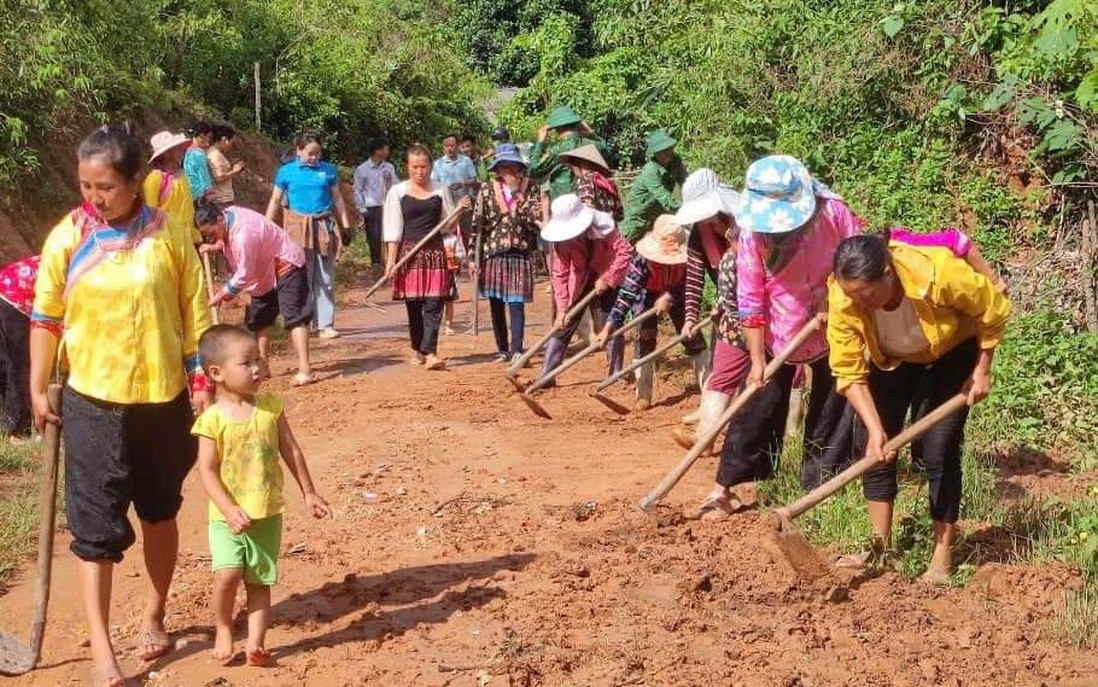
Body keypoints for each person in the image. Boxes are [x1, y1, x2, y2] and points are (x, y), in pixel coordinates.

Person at [30, 125, 212, 686]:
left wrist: (201, 379)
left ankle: (155, 614)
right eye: (85, 185)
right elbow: (46, 317)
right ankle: (104, 652)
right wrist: (39, 386)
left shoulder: (169, 235)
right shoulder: (67, 237)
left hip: (162, 399)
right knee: (94, 528)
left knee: (159, 510)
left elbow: (194, 313)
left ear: (137, 181)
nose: (94, 197)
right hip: (92, 402)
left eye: (105, 186)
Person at [828, 233, 1011, 582]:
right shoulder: (843, 295)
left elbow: (993, 307)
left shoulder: (936, 272)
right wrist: (876, 427)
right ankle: (878, 547)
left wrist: (982, 369)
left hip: (951, 352)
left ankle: (942, 552)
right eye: (852, 295)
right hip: (894, 360)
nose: (859, 303)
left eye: (866, 294)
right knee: (875, 447)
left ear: (887, 273)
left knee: (938, 450)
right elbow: (847, 369)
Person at [706, 155, 860, 518]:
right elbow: (750, 298)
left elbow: (857, 260)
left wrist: (836, 299)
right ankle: (725, 488)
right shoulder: (752, 236)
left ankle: (819, 486)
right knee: (757, 405)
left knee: (832, 405)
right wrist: (758, 361)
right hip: (780, 331)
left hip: (833, 324)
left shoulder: (833, 213)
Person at [193, 325, 331, 666]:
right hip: (228, 518)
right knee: (228, 574)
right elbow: (206, 470)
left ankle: (256, 642)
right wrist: (227, 508)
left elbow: (292, 450)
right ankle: (224, 626)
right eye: (247, 362)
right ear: (217, 373)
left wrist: (309, 492)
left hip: (266, 513)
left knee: (258, 580)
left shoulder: (271, 407)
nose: (258, 367)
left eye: (259, 359)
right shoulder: (212, 420)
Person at [195, 203, 316, 386]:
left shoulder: (244, 234)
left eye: (212, 234)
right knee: (259, 319)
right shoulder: (228, 215)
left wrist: (223, 294)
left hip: (285, 263)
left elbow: (245, 273)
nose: (210, 238)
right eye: (208, 236)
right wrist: (216, 246)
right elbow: (228, 242)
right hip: (263, 271)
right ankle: (263, 367)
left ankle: (305, 369)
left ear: (220, 219)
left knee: (294, 316)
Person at [595, 216, 706, 410]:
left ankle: (708, 389)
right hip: (648, 294)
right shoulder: (642, 260)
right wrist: (608, 327)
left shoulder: (691, 258)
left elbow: (693, 286)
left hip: (680, 293)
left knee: (693, 336)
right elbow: (627, 293)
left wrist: (670, 296)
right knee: (644, 338)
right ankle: (643, 394)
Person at [384, 144, 470, 370]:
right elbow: (393, 229)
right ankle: (419, 349)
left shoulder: (441, 190)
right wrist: (391, 262)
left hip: (434, 253)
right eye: (415, 167)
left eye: (423, 167)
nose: (419, 172)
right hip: (409, 255)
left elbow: (448, 224)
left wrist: (460, 210)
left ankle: (430, 352)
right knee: (414, 307)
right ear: (407, 167)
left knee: (434, 304)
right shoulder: (398, 192)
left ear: (430, 166)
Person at [535, 193, 633, 385]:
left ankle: (615, 373)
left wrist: (607, 277)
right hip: (581, 278)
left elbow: (625, 252)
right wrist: (562, 308)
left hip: (608, 272)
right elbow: (560, 273)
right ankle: (547, 374)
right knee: (566, 322)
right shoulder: (561, 241)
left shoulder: (603, 227)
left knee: (610, 322)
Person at [265, 131, 352, 340]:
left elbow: (338, 199)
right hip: (297, 228)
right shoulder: (286, 172)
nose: (314, 158)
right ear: (298, 151)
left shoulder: (328, 171)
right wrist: (266, 228)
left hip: (323, 226)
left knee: (325, 276)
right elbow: (275, 201)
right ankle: (304, 320)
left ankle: (325, 324)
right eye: (310, 153)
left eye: (317, 154)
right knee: (301, 275)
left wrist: (345, 225)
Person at [672, 169, 738, 430]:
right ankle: (708, 415)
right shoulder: (700, 234)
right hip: (726, 304)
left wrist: (726, 299)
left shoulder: (742, 222)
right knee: (719, 354)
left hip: (758, 301)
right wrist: (690, 318)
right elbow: (694, 278)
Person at [469, 143, 543, 362]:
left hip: (519, 251)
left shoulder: (530, 188)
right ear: (498, 168)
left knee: (516, 302)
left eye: (513, 167)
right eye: (504, 167)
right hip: (493, 252)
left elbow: (534, 221)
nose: (509, 171)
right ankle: (502, 348)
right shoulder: (486, 189)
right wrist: (474, 257)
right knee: (496, 302)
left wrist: (517, 196)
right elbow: (477, 226)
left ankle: (517, 349)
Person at [528, 105, 614, 202]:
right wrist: (591, 133)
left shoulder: (556, 151)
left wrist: (540, 143)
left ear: (556, 129)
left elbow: (533, 170)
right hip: (589, 199)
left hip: (565, 205)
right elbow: (609, 153)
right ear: (578, 125)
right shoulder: (592, 145)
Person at [620, 131, 687, 244]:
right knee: (625, 245)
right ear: (655, 153)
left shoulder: (675, 161)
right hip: (638, 215)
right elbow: (666, 200)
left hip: (657, 212)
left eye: (669, 149)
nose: (667, 154)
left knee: (659, 244)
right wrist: (685, 210)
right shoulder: (651, 170)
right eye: (662, 151)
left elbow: (686, 183)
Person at [0, 255, 38, 435]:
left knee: (7, 361)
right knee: (20, 364)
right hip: (17, 295)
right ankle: (18, 428)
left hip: (7, 284)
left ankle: (9, 422)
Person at [144, 130, 202, 245]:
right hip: (166, 242)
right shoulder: (155, 179)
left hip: (186, 240)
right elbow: (149, 216)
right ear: (167, 153)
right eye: (177, 148)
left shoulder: (182, 175)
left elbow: (187, 209)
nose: (181, 151)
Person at [352, 137, 398, 270]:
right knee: (374, 237)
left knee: (390, 234)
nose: (387, 152)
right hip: (371, 208)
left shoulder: (389, 167)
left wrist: (389, 182)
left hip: (388, 206)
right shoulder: (362, 169)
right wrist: (361, 208)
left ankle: (391, 261)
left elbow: (395, 185)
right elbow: (357, 189)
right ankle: (376, 263)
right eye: (386, 149)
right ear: (377, 151)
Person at [559, 144, 622, 219]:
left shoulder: (586, 183)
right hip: (611, 227)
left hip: (597, 228)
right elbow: (619, 214)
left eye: (572, 166)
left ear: (578, 166)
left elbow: (587, 211)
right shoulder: (606, 181)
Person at [207, 124, 247, 209]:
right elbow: (219, 177)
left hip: (222, 199)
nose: (230, 147)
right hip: (222, 200)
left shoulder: (214, 153)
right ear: (224, 139)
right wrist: (235, 171)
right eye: (231, 143)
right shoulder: (215, 155)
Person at [432, 134, 480, 203]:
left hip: (466, 203)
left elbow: (474, 180)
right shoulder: (438, 164)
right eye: (446, 146)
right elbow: (434, 184)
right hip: (446, 205)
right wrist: (445, 189)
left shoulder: (466, 161)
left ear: (457, 146)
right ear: (443, 147)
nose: (449, 148)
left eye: (452, 146)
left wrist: (463, 184)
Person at [442, 227, 468, 335]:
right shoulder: (432, 238)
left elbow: (462, 255)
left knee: (449, 300)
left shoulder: (453, 239)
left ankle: (448, 325)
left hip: (448, 273)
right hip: (434, 273)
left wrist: (454, 256)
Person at [183, 120, 216, 202]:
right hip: (199, 195)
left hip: (188, 191)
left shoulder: (187, 151)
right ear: (202, 136)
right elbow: (203, 176)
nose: (209, 140)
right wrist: (210, 193)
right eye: (208, 137)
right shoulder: (198, 154)